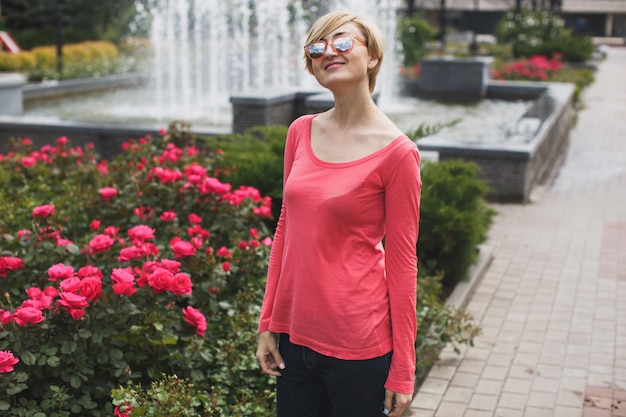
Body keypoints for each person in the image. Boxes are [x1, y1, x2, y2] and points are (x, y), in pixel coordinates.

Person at [256, 9, 422, 417]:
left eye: (343, 42)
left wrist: (403, 369)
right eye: (317, 47)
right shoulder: (300, 131)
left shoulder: (398, 153)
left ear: (373, 58)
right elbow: (285, 229)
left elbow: (402, 265)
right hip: (295, 341)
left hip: (358, 350)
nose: (328, 51)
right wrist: (267, 322)